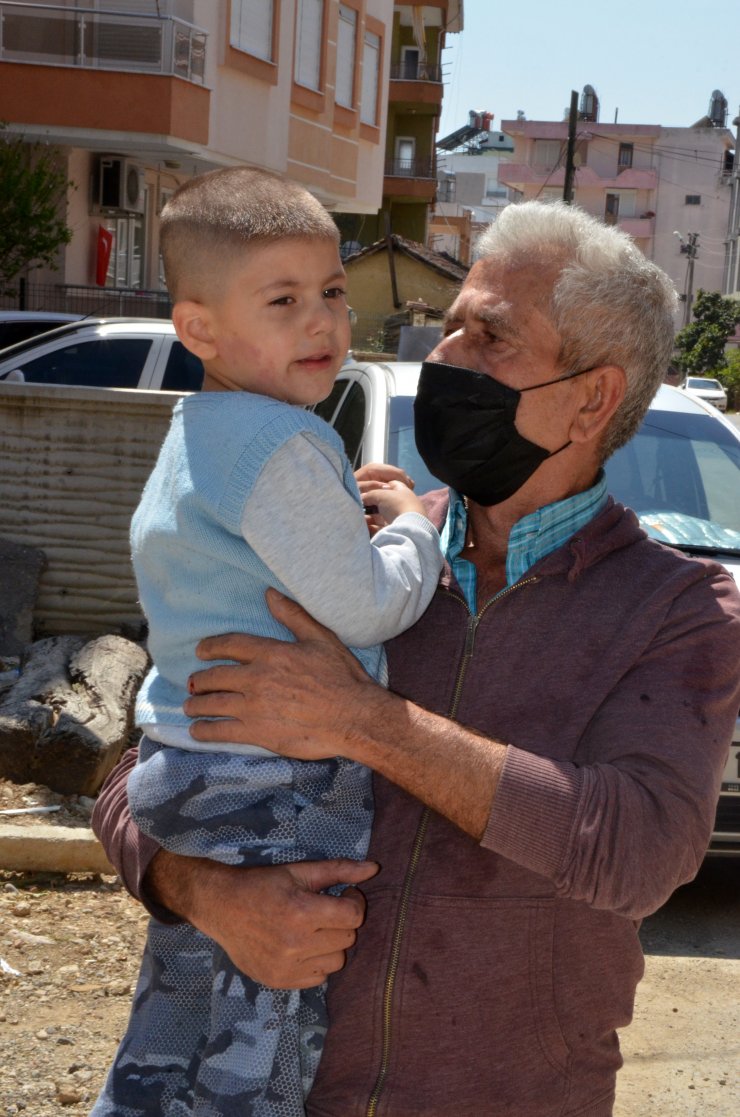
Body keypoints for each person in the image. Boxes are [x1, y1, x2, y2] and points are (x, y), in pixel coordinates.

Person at [93, 200, 740, 1117]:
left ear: (593, 396)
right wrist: (205, 892)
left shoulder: (679, 608)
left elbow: (638, 848)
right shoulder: (343, 544)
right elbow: (134, 776)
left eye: (492, 335)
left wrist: (366, 721)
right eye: (449, 326)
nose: (445, 358)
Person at [90, 167, 444, 1117]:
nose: (322, 322)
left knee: (181, 1010)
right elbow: (367, 606)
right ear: (198, 329)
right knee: (267, 1034)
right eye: (282, 300)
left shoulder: (198, 433)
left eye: (331, 290)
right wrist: (415, 529)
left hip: (187, 768)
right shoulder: (280, 444)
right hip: (273, 783)